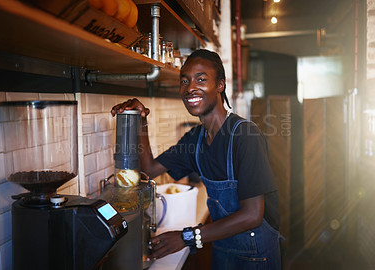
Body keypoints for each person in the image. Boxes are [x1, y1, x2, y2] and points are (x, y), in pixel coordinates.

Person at [111, 49, 282, 269]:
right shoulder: (196, 139)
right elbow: (149, 169)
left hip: (258, 257)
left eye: (201, 79)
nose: (190, 88)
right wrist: (141, 120)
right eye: (185, 81)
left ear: (220, 85)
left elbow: (252, 216)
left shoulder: (245, 136)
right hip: (222, 250)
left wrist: (187, 237)